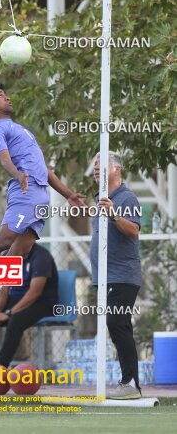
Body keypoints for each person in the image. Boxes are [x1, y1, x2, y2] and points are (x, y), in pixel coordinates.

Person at [0, 83, 85, 334]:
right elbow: (5, 158)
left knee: (19, 252)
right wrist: (17, 175)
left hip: (40, 197)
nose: (7, 97)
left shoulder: (22, 130)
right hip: (25, 192)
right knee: (3, 241)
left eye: (6, 92)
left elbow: (46, 171)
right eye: (1, 95)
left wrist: (68, 194)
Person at [90, 152, 142, 399]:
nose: (96, 168)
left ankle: (130, 383)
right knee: (116, 326)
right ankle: (129, 384)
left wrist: (113, 214)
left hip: (122, 275)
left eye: (101, 164)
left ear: (117, 169)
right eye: (94, 165)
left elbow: (133, 230)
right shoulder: (101, 199)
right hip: (104, 277)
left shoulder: (126, 197)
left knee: (116, 323)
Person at [0, 243, 58, 368]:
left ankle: (0, 368)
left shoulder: (41, 256)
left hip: (42, 303)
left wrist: (9, 313)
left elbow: (35, 292)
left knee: (15, 320)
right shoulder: (7, 256)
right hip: (14, 301)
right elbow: (3, 289)